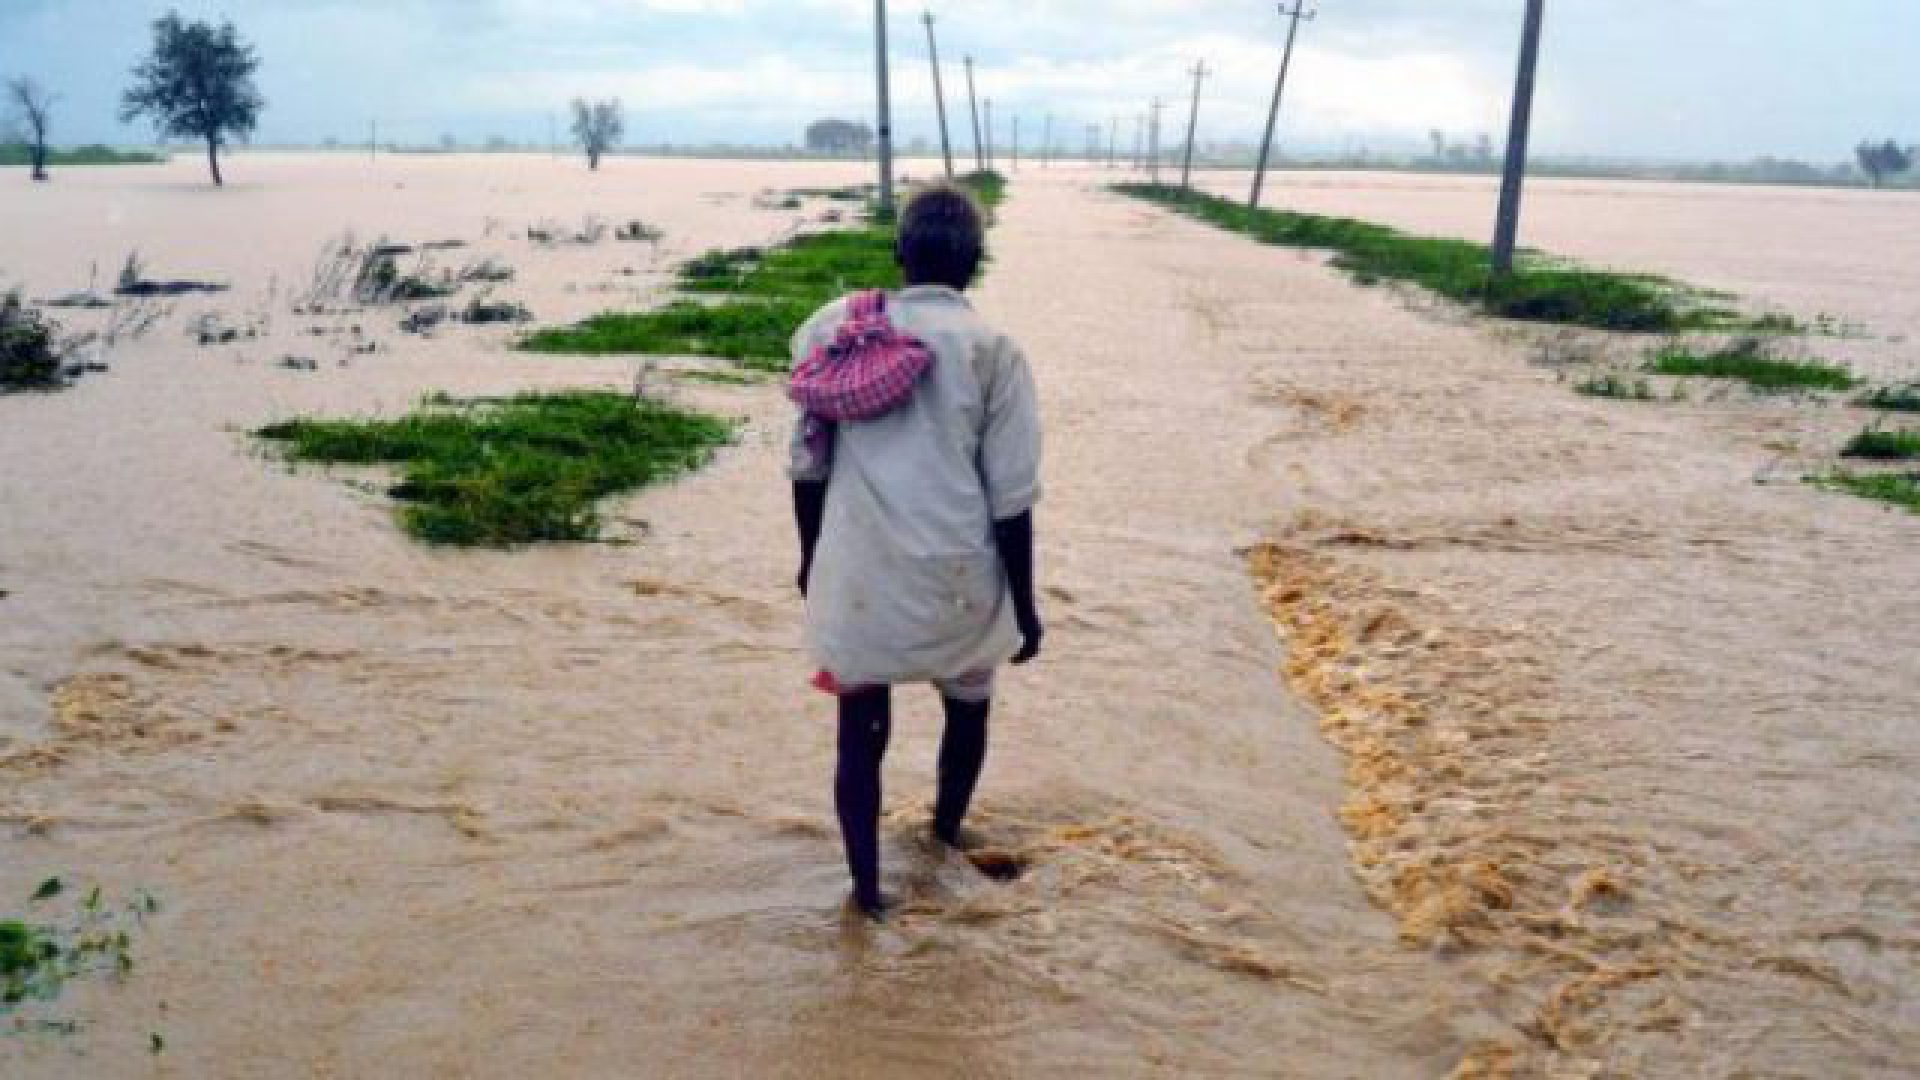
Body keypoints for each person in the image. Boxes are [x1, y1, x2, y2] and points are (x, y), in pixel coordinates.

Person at [788, 183, 1044, 921]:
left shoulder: (833, 330)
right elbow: (1012, 498)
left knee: (859, 731)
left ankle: (868, 895)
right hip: (959, 578)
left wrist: (812, 563)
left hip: (862, 572)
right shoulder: (994, 352)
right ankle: (943, 836)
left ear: (899, 254)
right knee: (967, 711)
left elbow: (806, 467)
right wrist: (1025, 607)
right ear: (977, 262)